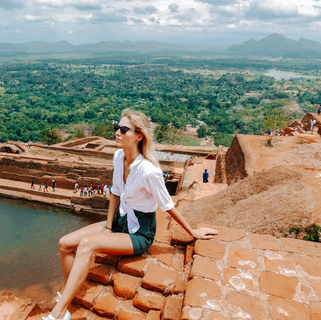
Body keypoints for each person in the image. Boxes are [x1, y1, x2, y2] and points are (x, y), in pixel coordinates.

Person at [42, 109, 218, 320]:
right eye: (117, 127)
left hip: (140, 232)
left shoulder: (149, 170)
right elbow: (115, 193)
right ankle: (70, 298)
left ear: (139, 135)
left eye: (124, 129)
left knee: (87, 244)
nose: (117, 132)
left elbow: (168, 205)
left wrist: (192, 231)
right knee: (65, 243)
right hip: (120, 221)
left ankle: (58, 312)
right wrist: (108, 227)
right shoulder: (119, 157)